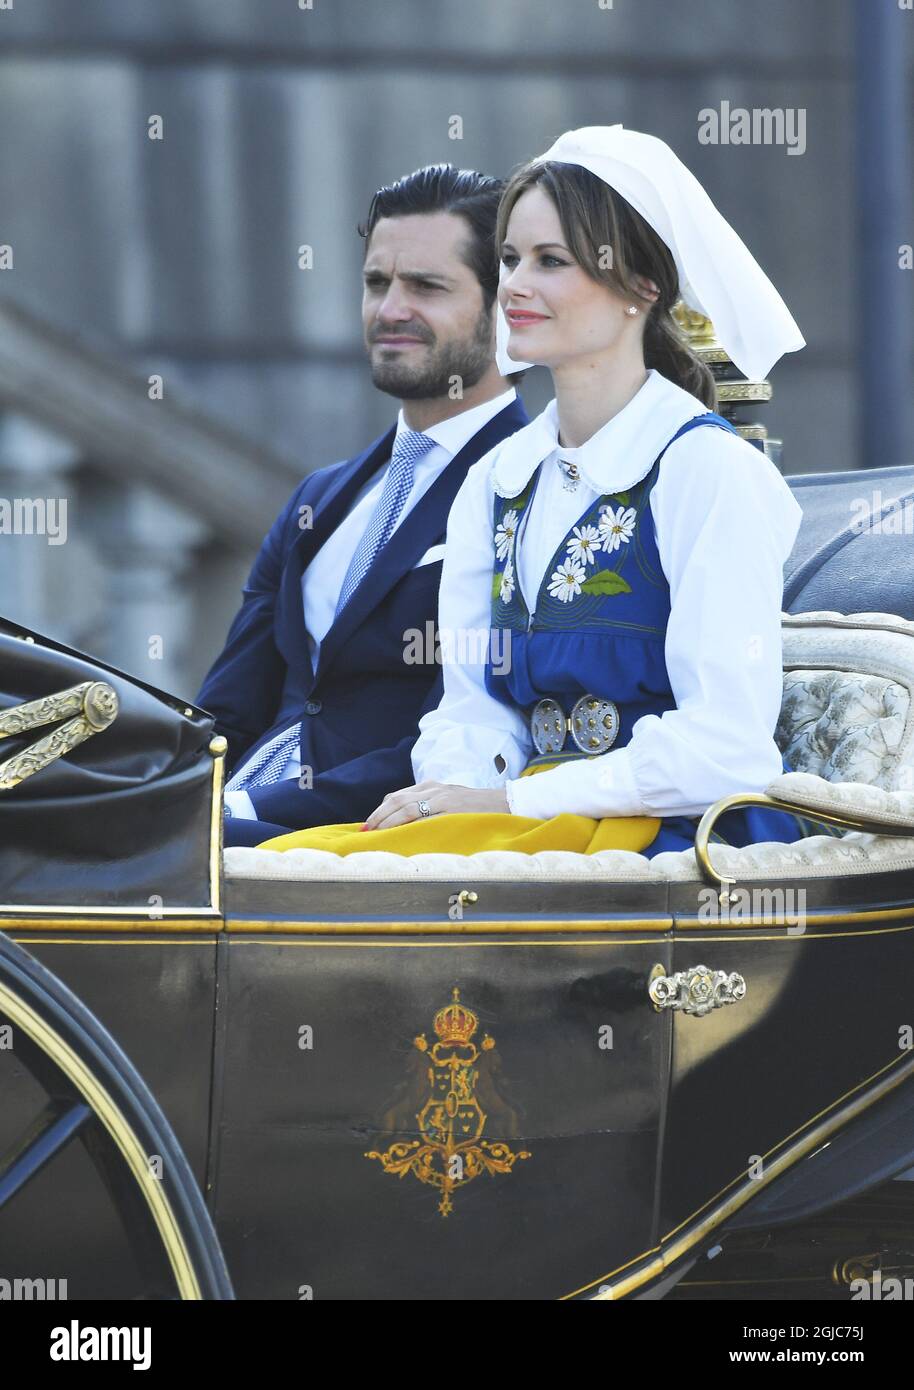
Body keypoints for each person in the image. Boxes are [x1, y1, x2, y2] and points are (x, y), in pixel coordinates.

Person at [256, 125, 809, 859]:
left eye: (551, 262)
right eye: (510, 258)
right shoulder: (499, 480)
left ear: (642, 288)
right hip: (535, 832)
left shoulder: (707, 470)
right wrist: (453, 800)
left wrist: (513, 801)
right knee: (281, 865)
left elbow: (722, 750)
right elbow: (471, 708)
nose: (514, 284)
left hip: (671, 845)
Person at [197, 165, 528, 847]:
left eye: (426, 287)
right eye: (378, 283)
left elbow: (474, 732)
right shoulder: (318, 498)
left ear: (507, 310)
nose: (389, 310)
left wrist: (246, 816)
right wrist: (157, 795)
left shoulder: (533, 489)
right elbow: (224, 710)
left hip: (373, 841)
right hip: (228, 816)